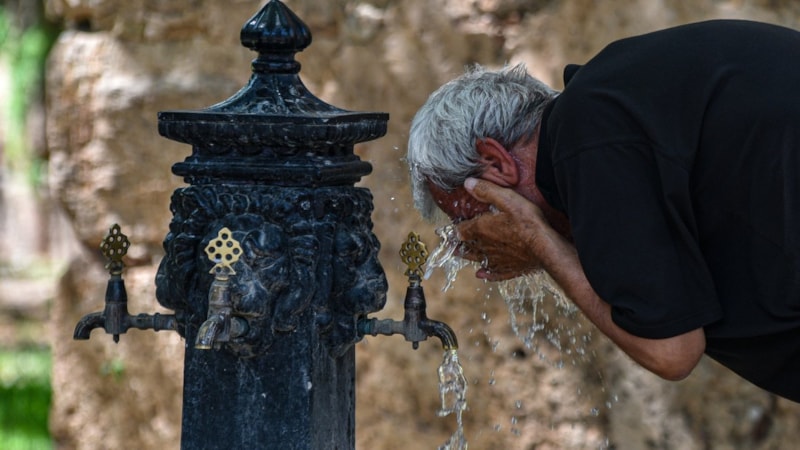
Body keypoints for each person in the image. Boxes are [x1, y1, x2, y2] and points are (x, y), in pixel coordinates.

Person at [406, 19, 800, 402]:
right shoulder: (616, 109)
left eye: (467, 217)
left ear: (496, 163)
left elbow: (672, 351)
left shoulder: (589, 137)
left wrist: (537, 241)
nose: (475, 238)